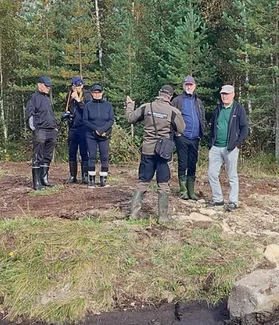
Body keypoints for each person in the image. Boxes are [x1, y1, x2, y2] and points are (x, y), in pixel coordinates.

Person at [124, 85, 186, 225]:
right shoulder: (173, 111)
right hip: (164, 152)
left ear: (159, 93)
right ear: (170, 97)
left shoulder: (146, 107)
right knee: (163, 184)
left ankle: (134, 214)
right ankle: (163, 217)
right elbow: (182, 129)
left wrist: (130, 105)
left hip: (148, 150)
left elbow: (130, 118)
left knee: (143, 182)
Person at [205, 84, 249, 211]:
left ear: (233, 95)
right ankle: (218, 200)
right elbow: (213, 126)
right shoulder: (218, 109)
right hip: (216, 146)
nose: (225, 96)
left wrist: (238, 143)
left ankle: (233, 201)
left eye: (227, 94)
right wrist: (211, 143)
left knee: (232, 176)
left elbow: (244, 128)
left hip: (231, 148)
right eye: (223, 94)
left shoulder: (238, 109)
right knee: (212, 174)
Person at [173, 76, 205, 201]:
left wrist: (202, 132)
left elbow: (202, 118)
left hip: (195, 138)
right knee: (183, 164)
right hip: (182, 137)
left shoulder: (198, 101)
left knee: (192, 164)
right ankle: (183, 191)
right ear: (183, 86)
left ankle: (191, 191)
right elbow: (171, 118)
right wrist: (176, 133)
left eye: (191, 85)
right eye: (187, 85)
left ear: (194, 86)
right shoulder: (178, 100)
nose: (189, 87)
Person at [25, 76, 57, 190]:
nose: (49, 88)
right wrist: (34, 129)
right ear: (39, 85)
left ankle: (44, 180)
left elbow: (51, 115)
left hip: (51, 130)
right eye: (46, 86)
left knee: (47, 156)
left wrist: (55, 128)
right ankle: (37, 183)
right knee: (38, 156)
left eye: (49, 86)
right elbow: (30, 114)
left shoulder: (47, 99)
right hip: (40, 130)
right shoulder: (33, 98)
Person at [84, 84, 114, 186]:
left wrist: (102, 130)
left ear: (102, 93)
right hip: (91, 134)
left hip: (104, 135)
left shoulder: (108, 105)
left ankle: (103, 180)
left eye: (99, 92)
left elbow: (111, 120)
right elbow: (85, 120)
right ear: (92, 93)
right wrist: (95, 129)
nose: (97, 94)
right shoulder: (88, 105)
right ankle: (91, 180)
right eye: (95, 92)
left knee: (104, 156)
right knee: (91, 156)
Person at [63, 77, 89, 184]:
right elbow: (67, 108)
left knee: (84, 152)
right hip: (72, 127)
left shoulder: (87, 95)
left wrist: (78, 100)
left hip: (83, 127)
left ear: (82, 86)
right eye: (74, 86)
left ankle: (85, 176)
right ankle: (73, 176)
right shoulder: (69, 95)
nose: (76, 88)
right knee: (72, 152)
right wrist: (67, 114)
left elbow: (87, 110)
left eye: (78, 86)